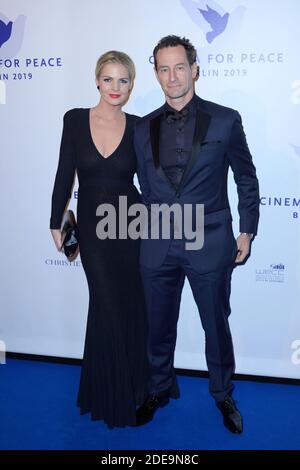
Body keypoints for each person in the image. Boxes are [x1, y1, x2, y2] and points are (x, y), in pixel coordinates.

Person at [134, 36, 259, 433]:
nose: (172, 77)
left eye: (179, 67)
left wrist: (247, 229)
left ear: (195, 69)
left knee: (216, 325)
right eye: (164, 69)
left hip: (210, 240)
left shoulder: (225, 119)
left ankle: (223, 395)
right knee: (156, 324)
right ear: (156, 73)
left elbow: (246, 177)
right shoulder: (141, 128)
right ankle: (158, 387)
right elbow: (130, 185)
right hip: (156, 244)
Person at [50, 51, 148, 428]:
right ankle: (111, 394)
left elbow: (151, 184)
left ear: (132, 85)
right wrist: (55, 220)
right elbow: (64, 173)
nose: (115, 88)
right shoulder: (75, 120)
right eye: (109, 79)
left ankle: (136, 388)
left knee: (129, 305)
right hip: (92, 227)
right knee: (106, 304)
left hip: (131, 226)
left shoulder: (140, 127)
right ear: (96, 80)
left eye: (123, 80)